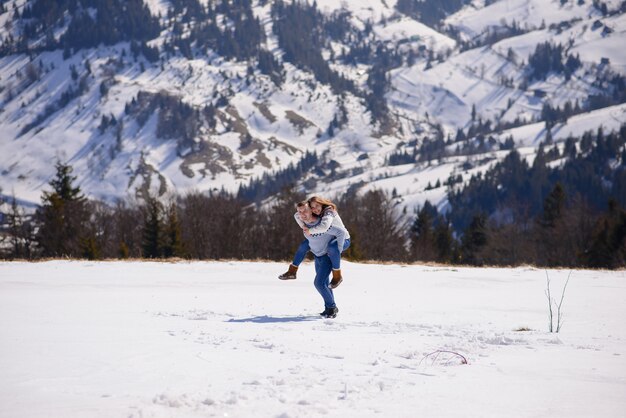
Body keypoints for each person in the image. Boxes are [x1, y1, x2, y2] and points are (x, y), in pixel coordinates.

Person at [306, 196, 351, 289]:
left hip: (343, 239)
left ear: (322, 204)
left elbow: (325, 226)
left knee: (332, 247)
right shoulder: (318, 214)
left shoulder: (328, 212)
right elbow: (298, 215)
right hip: (330, 242)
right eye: (312, 207)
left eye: (317, 205)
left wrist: (310, 231)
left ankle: (337, 276)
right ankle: (329, 297)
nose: (315, 209)